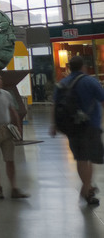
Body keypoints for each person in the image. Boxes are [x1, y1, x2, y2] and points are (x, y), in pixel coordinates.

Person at [49, 56, 104, 205]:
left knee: (81, 159)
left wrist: (54, 125)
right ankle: (86, 189)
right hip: (90, 125)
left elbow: (55, 105)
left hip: (71, 127)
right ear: (83, 67)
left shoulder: (62, 83)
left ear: (69, 68)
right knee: (90, 159)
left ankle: (88, 187)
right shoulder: (90, 81)